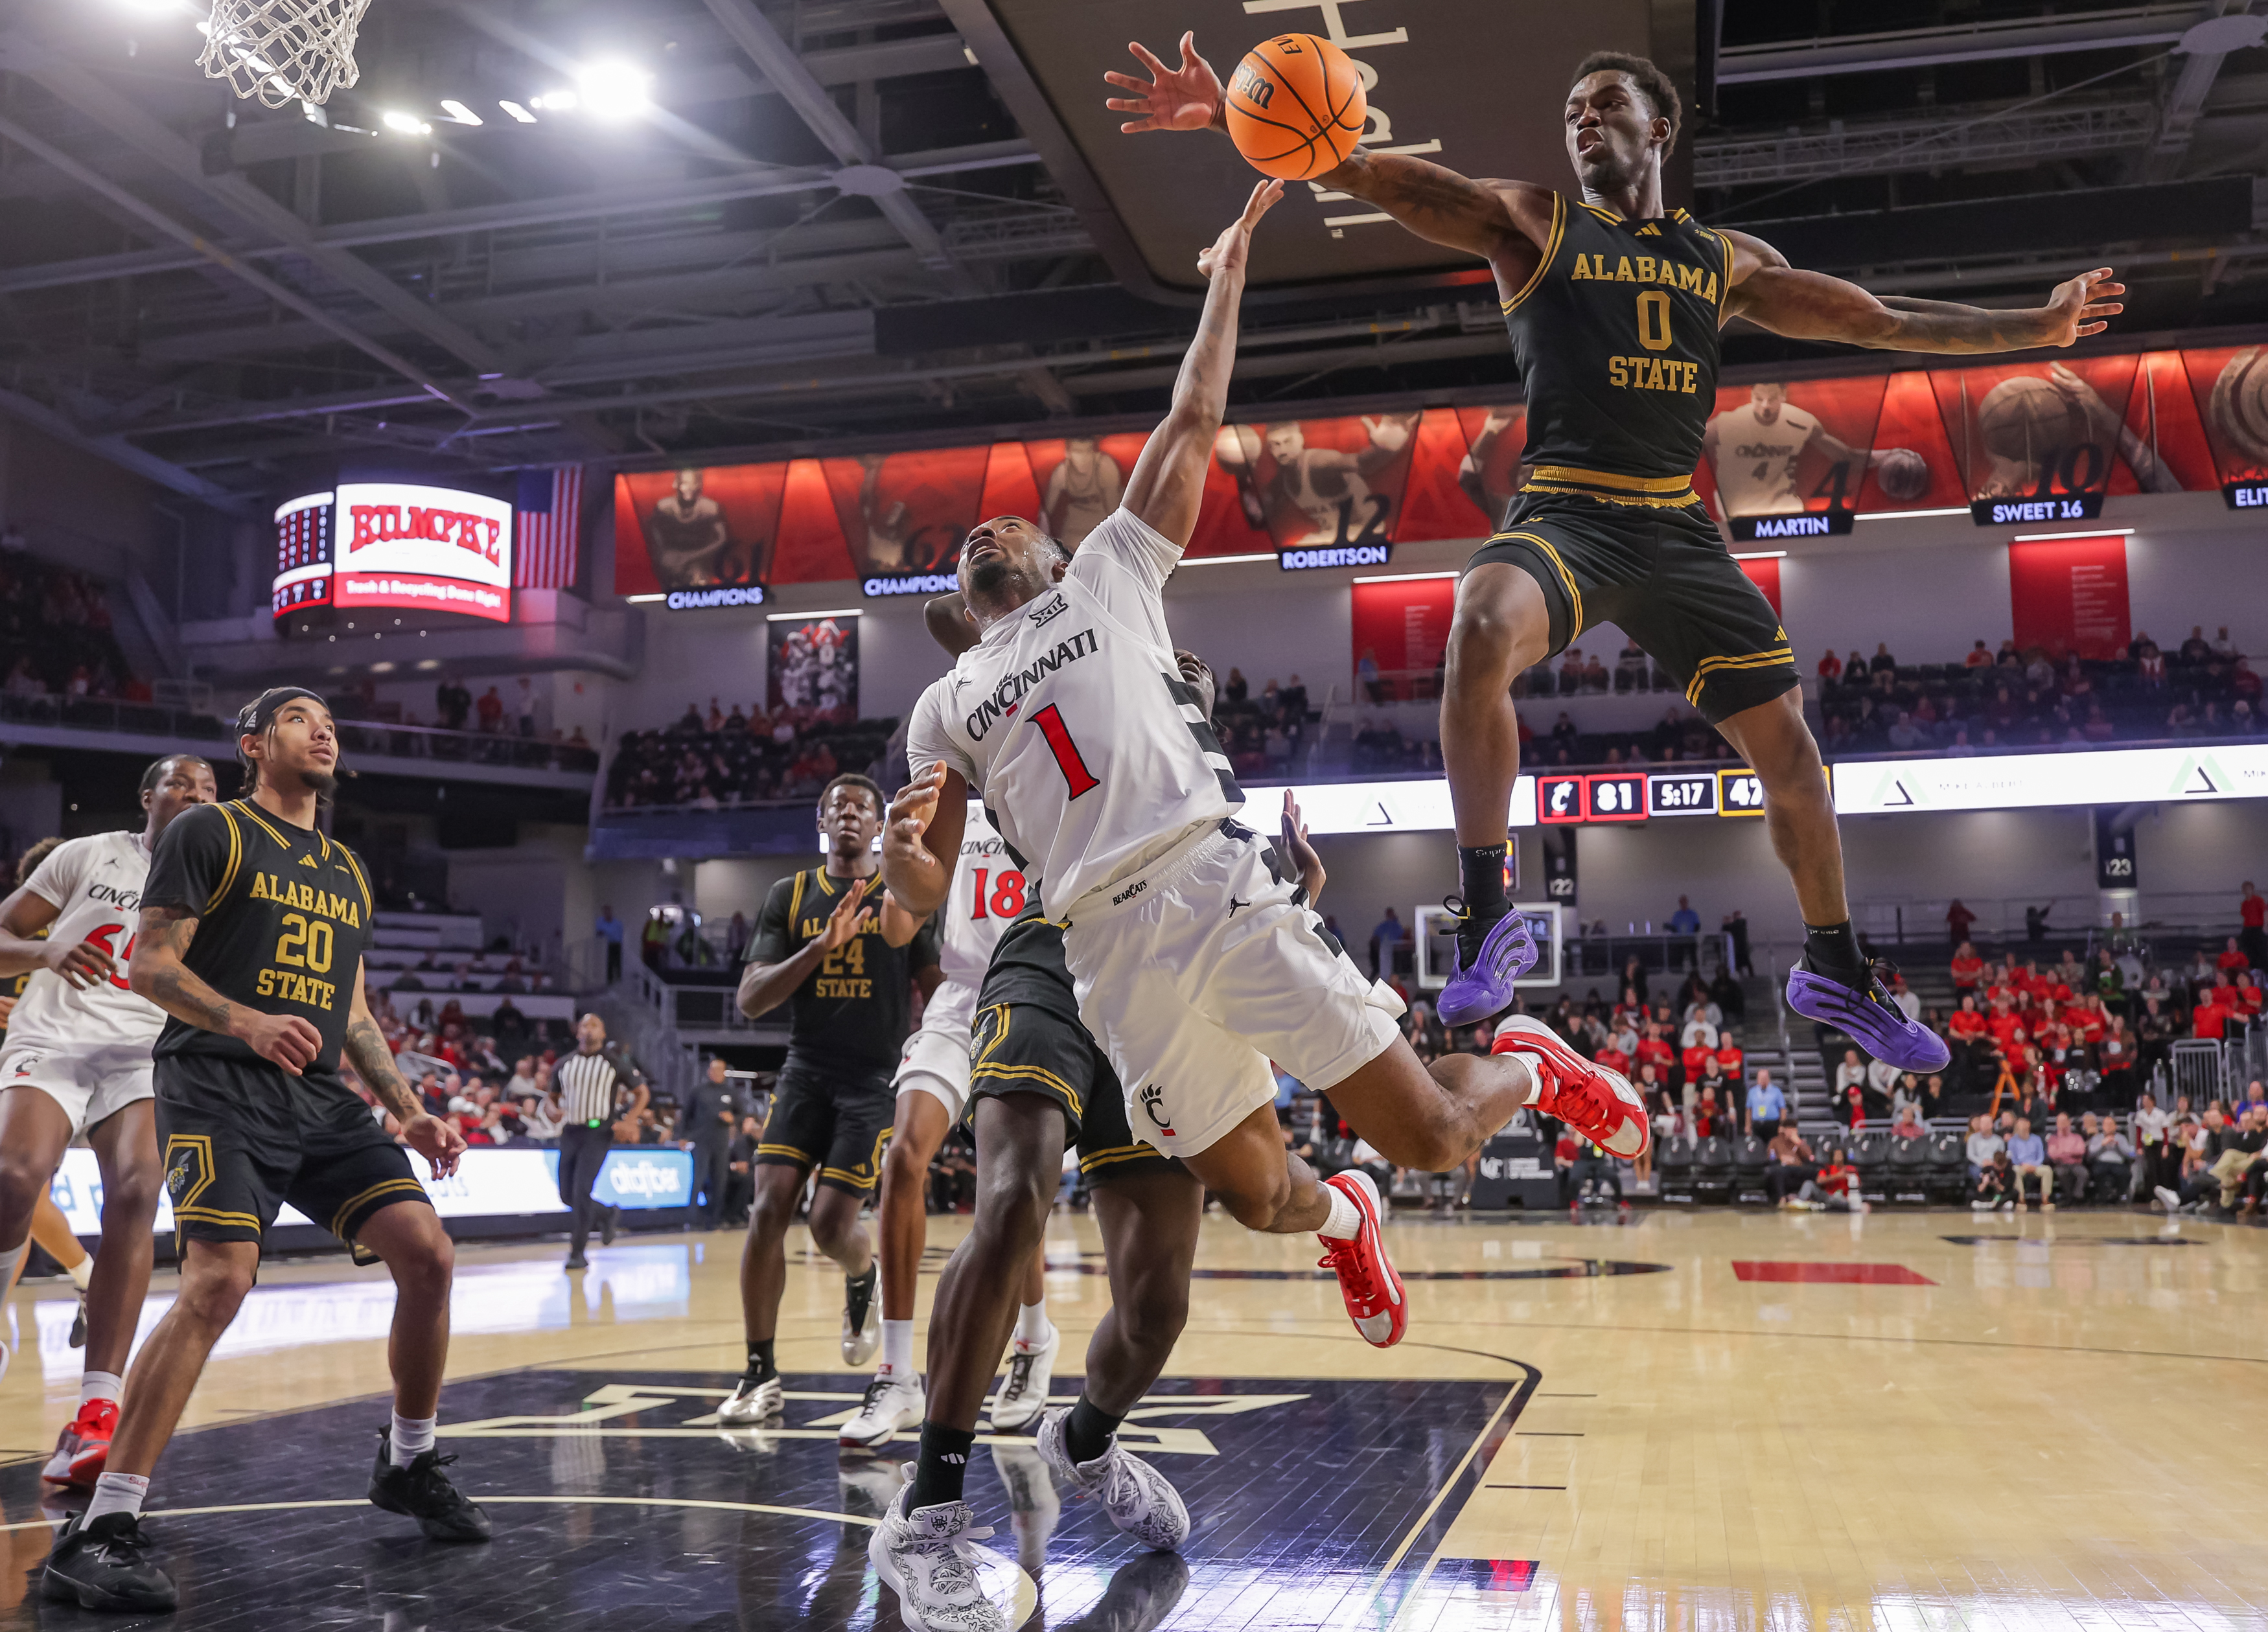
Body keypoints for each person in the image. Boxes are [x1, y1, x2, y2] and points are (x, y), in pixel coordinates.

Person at [874, 183, 1643, 1632]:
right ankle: (935, 1508)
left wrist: (1225, 275)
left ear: (1051, 554)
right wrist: (904, 864)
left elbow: (1190, 421)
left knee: (1421, 1139)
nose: (990, 526)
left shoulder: (1111, 569)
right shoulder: (942, 700)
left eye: (1011, 518)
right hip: (1093, 955)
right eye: (965, 541)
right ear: (961, 603)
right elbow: (929, 895)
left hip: (1219, 890)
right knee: (1211, 1206)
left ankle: (1523, 1062)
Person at [1106, 42, 2112, 1057]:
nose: (1583, 119)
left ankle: (1836, 966)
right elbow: (1365, 169)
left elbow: (1885, 321)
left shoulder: (1727, 261)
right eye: (1573, 109)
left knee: (1796, 758)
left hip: (1677, 527)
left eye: (1606, 103)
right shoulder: (1533, 221)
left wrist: (2038, 324)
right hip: (1568, 512)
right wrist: (1248, 126)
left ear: (1658, 127)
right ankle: (1490, 910)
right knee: (1480, 621)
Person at [44, 689, 486, 1611]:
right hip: (216, 1082)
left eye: (328, 721)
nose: (322, 729)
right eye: (298, 718)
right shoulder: (213, 831)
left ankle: (409, 1461)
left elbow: (354, 1011)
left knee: (429, 1253)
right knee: (218, 1281)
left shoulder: (347, 868)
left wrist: (406, 1107)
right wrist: (244, 1019)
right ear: (255, 744)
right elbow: (150, 963)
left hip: (319, 1097)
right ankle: (103, 1526)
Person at [0, 755, 215, 1486]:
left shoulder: (221, 881)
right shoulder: (85, 854)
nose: (196, 793)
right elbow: (2, 937)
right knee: (14, 1174)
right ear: (148, 795)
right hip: (53, 1038)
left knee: (136, 1189)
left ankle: (97, 1410)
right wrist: (42, 948)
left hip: (145, 1051)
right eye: (181, 782)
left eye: (211, 787)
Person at [719, 774, 941, 1425]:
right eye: (837, 805)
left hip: (873, 1080)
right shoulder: (789, 895)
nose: (849, 813)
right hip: (805, 1070)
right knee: (765, 1210)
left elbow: (936, 989)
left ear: (878, 826)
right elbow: (751, 998)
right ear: (822, 820)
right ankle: (759, 1373)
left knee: (827, 1225)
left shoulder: (900, 893)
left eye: (862, 807)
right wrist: (820, 947)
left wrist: (931, 1058)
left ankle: (861, 1270)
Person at [839, 799, 1053, 1449]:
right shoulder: (950, 810)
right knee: (901, 1158)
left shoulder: (1055, 788)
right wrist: (896, 865)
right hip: (958, 997)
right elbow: (902, 930)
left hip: (1033, 994)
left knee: (1009, 1182)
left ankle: (1034, 1337)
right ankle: (897, 1373)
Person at [548, 1013, 649, 1269]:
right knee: (567, 1195)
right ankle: (606, 1213)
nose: (589, 1030)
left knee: (582, 1191)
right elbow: (551, 1097)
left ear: (603, 1034)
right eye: (584, 1025)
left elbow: (642, 1093)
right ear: (577, 1032)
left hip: (598, 1131)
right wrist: (551, 1109)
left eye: (594, 1026)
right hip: (570, 1131)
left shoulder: (614, 1063)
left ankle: (577, 1252)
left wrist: (629, 1121)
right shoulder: (564, 1064)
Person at [686, 1055, 744, 1229]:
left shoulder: (731, 1092)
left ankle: (715, 1220)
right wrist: (684, 1136)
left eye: (720, 1070)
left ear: (724, 1073)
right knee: (698, 1179)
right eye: (713, 1069)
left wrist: (732, 1118)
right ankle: (691, 1219)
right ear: (709, 1071)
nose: (716, 1073)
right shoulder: (698, 1091)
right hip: (702, 1141)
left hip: (721, 1143)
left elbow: (741, 1114)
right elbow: (687, 1114)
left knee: (720, 1181)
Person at [2006, 1116, 2050, 1210]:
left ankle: (2045, 1200)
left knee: (2048, 1170)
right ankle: (2021, 1200)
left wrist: (2034, 1165)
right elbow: (2012, 1158)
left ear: (2029, 1126)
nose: (2022, 1128)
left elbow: (2041, 1156)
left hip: (2035, 1166)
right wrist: (2022, 1165)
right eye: (2020, 1126)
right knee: (2015, 1170)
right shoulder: (2012, 1141)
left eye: (2024, 1126)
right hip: (2020, 1166)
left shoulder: (2037, 1139)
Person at [1744, 1067, 1785, 1144]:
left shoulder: (1776, 1091)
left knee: (1772, 1145)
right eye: (1760, 1078)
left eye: (1764, 1078)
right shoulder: (1752, 1092)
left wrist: (1782, 1125)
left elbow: (1782, 1109)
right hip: (1757, 1123)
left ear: (1768, 1078)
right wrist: (1748, 1125)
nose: (1762, 1080)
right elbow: (1749, 1109)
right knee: (1757, 1146)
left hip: (1772, 1124)